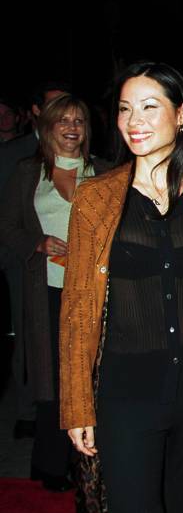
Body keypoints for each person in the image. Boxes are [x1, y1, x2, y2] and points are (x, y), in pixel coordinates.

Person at [59, 62, 183, 513]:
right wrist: (77, 402)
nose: (133, 121)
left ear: (180, 115)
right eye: (124, 109)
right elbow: (78, 309)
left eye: (149, 106)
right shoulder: (95, 199)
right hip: (124, 395)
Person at [0, 93, 108, 490]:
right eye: (63, 120)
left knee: (90, 376)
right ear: (47, 127)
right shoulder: (28, 173)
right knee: (52, 382)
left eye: (79, 120)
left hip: (92, 292)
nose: (71, 127)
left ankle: (92, 467)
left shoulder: (105, 172)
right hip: (46, 291)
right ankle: (49, 466)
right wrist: (39, 242)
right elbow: (6, 226)